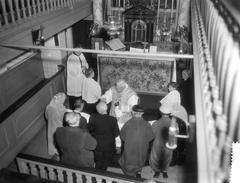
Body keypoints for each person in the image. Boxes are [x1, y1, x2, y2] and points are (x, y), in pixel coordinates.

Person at [119, 105, 154, 178]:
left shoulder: (128, 123)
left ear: (133, 112)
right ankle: (138, 172)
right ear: (142, 113)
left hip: (130, 149)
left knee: (128, 162)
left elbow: (122, 136)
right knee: (140, 161)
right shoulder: (147, 124)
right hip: (142, 149)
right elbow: (151, 137)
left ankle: (129, 176)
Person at [101, 79, 138, 147]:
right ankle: (113, 145)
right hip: (113, 115)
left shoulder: (131, 94)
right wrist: (104, 99)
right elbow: (106, 95)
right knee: (112, 132)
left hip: (123, 118)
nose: (116, 89)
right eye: (116, 87)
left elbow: (134, 108)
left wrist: (122, 108)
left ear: (123, 87)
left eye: (118, 89)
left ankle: (121, 147)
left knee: (121, 135)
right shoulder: (114, 88)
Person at [88, 102, 120, 170]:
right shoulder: (112, 119)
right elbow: (116, 133)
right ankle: (102, 174)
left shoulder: (92, 117)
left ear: (97, 110)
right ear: (106, 109)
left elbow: (90, 129)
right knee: (106, 161)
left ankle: (96, 173)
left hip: (97, 143)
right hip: (109, 144)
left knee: (98, 160)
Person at [149, 105, 174, 179]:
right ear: (170, 113)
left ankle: (156, 172)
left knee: (155, 158)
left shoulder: (156, 123)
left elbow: (152, 135)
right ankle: (165, 171)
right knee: (167, 158)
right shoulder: (174, 124)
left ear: (160, 113)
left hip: (157, 144)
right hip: (169, 144)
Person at [45, 92, 67, 157]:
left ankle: (52, 151)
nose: (63, 101)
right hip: (59, 126)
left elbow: (46, 116)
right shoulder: (62, 109)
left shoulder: (49, 106)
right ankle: (58, 152)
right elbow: (64, 119)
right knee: (59, 139)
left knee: (51, 137)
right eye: (63, 100)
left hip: (51, 125)